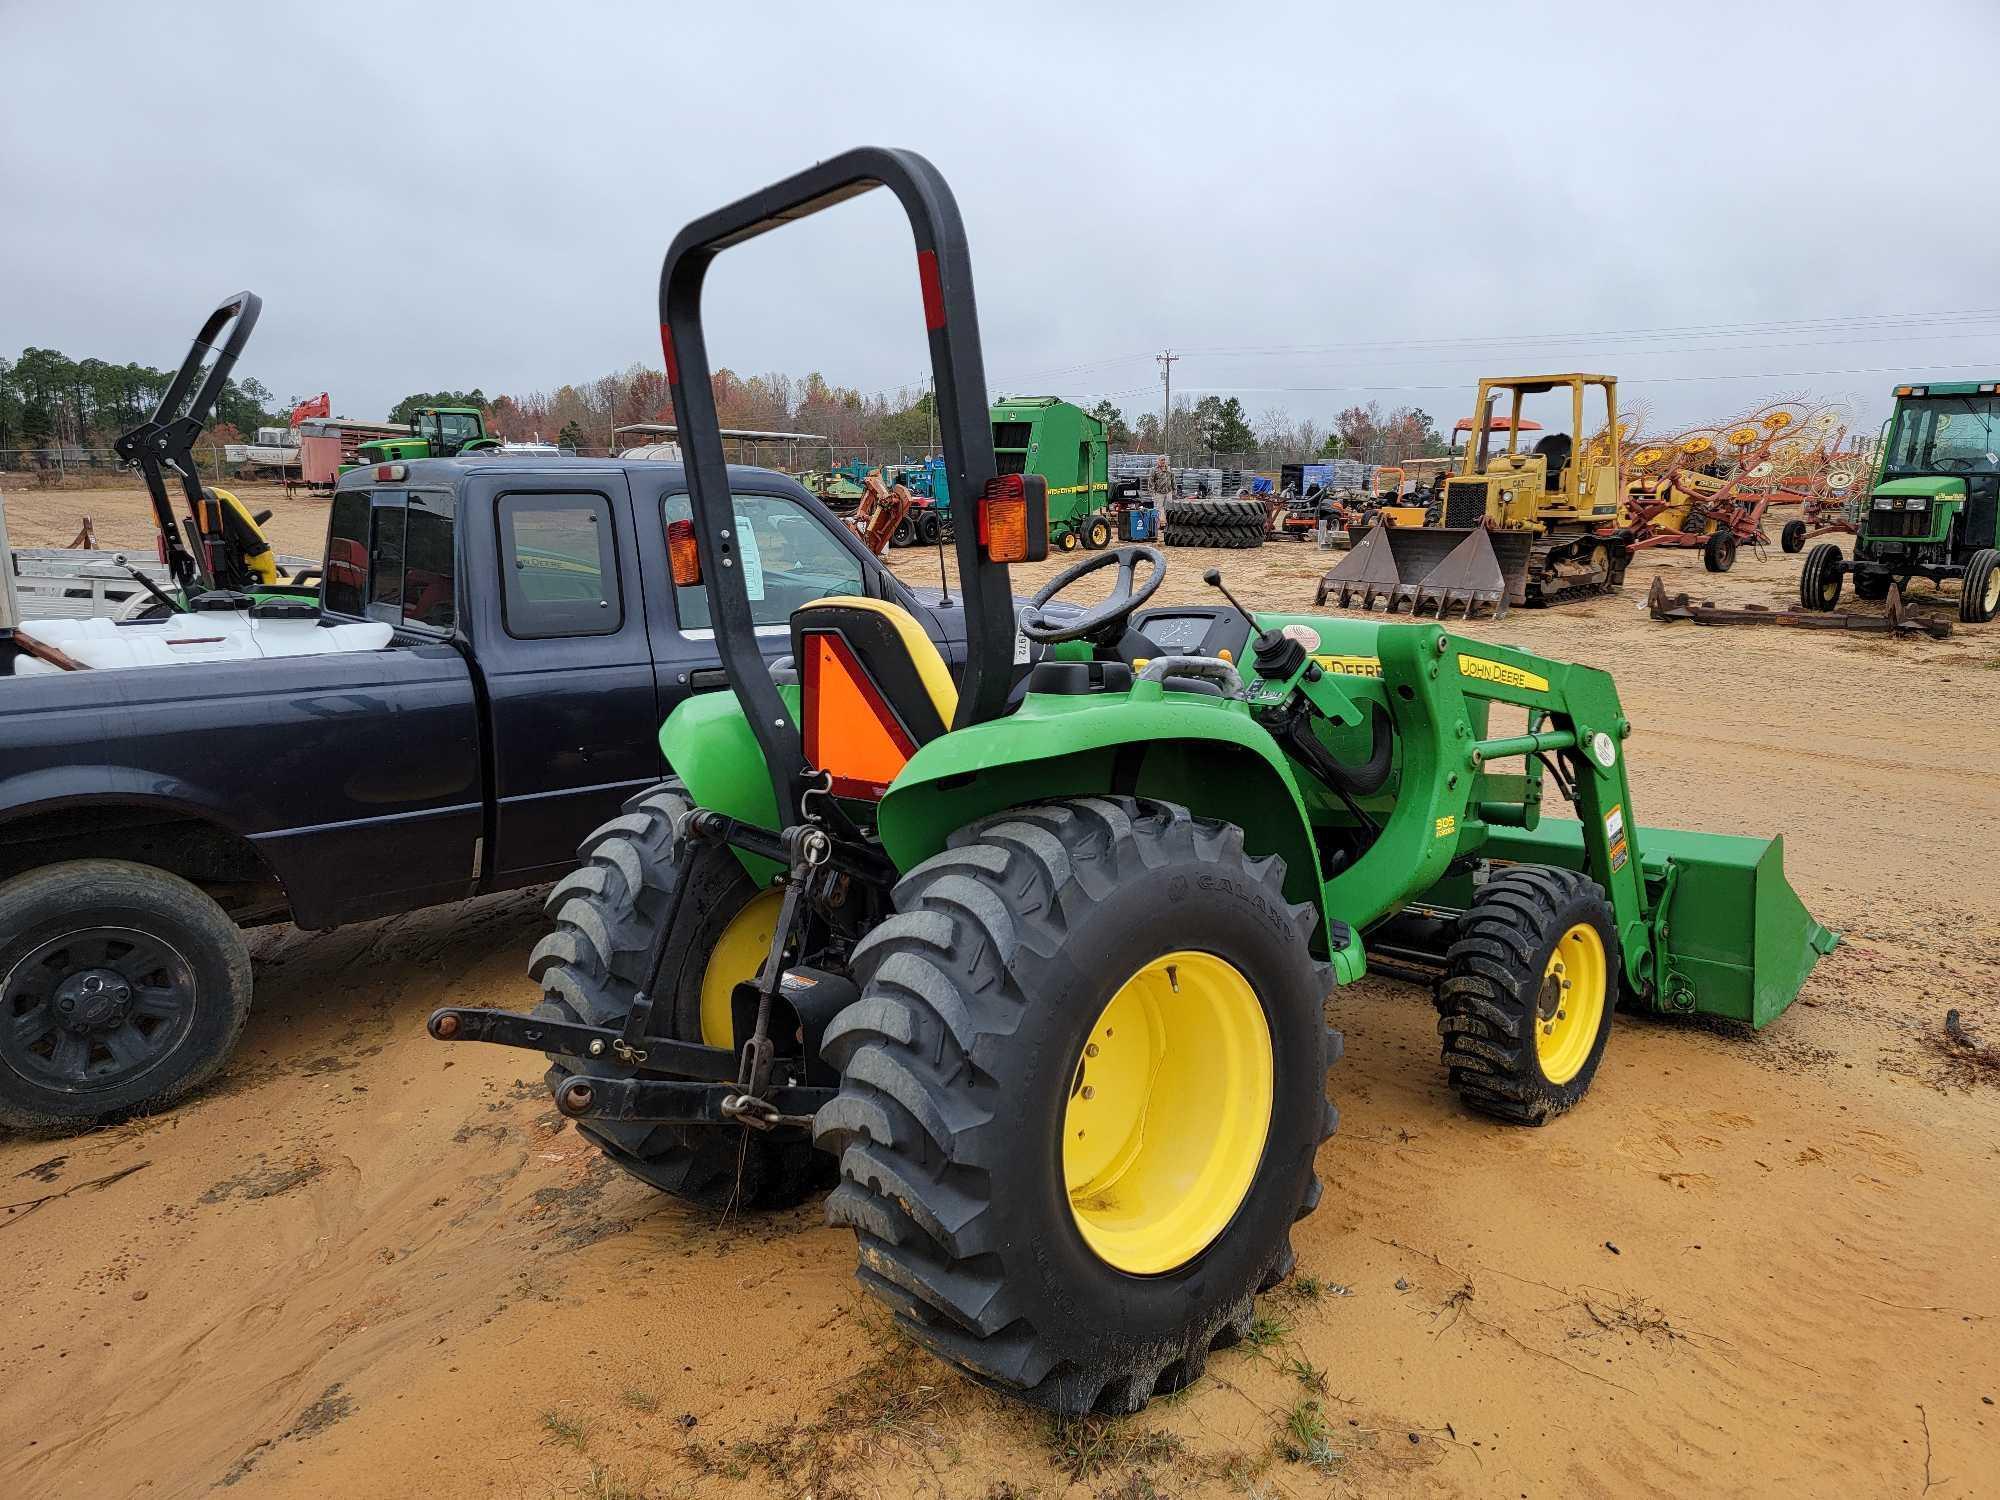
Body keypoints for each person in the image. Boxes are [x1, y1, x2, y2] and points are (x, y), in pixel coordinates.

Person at [1148, 455, 1173, 533]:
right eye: (1161, 460)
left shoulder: (1169, 470)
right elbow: (1151, 481)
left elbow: (1173, 479)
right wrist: (1152, 492)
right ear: (1158, 461)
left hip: (1168, 492)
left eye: (1164, 460)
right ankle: (1162, 524)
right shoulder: (1154, 470)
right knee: (1160, 508)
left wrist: (1174, 490)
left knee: (1169, 508)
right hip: (1159, 493)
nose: (1163, 461)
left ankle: (1168, 524)